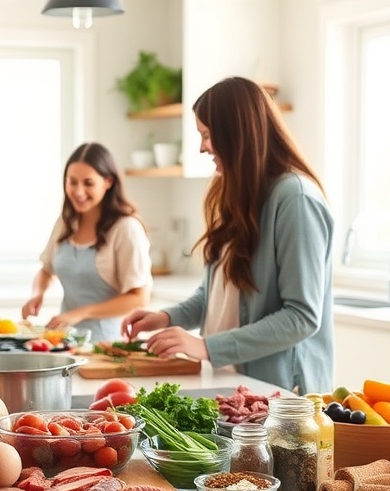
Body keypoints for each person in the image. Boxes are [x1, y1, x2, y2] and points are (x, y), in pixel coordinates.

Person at [121, 77, 334, 395]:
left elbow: (301, 317)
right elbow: (216, 293)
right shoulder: (237, 194)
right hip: (232, 386)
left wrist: (205, 346)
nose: (202, 147)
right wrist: (166, 317)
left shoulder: (295, 199)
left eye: (207, 135)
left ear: (236, 133)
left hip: (280, 394)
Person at [21, 142, 153, 342]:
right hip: (67, 342)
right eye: (72, 182)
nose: (78, 191)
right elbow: (46, 270)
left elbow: (139, 297)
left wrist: (81, 313)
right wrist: (38, 294)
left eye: (88, 183)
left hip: (107, 345)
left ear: (108, 182)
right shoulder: (65, 222)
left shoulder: (126, 228)